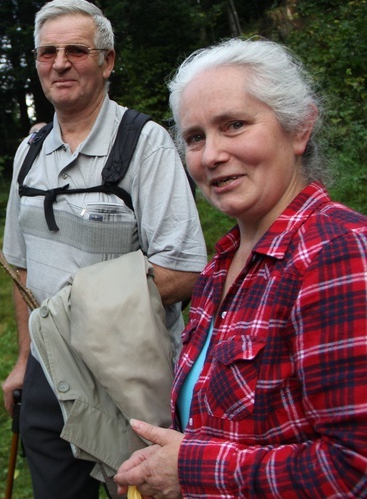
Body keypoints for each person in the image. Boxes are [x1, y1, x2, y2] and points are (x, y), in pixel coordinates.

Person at [113, 37, 367, 498]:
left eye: (234, 125)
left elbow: (354, 469)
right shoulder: (221, 267)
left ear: (299, 129)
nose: (210, 155)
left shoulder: (335, 253)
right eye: (195, 138)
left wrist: (189, 469)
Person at [1, 0, 208, 497]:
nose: (60, 63)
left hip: (130, 374)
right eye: (47, 52)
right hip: (49, 374)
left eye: (76, 49)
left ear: (108, 61)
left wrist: (79, 307)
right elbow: (20, 264)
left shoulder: (145, 144)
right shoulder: (28, 154)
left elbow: (184, 271)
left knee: (140, 490)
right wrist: (25, 361)